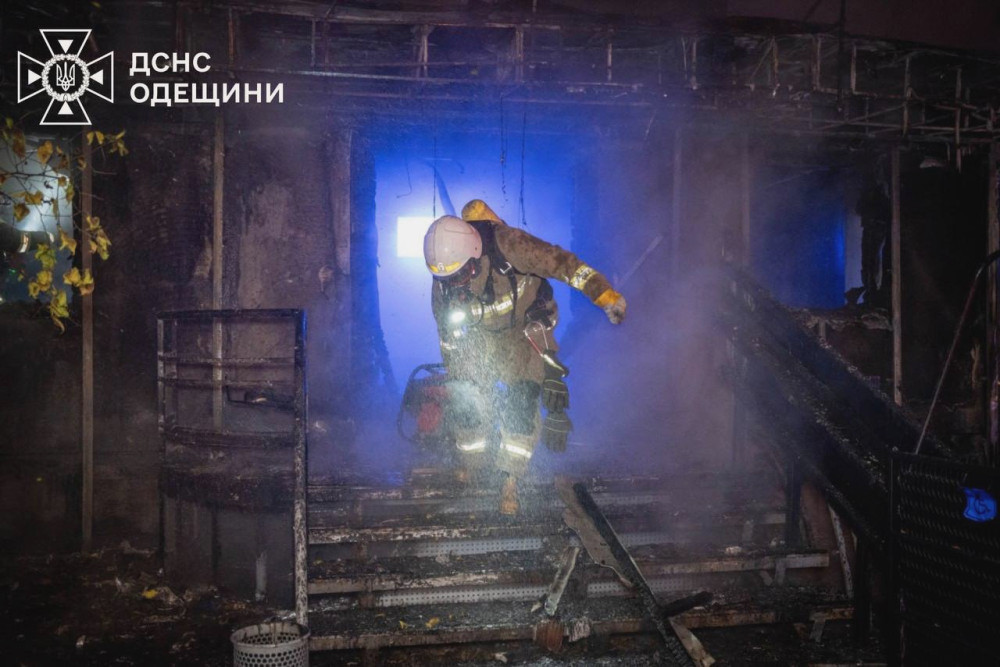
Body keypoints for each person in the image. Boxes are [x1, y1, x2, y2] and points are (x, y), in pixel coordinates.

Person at [422, 199, 626, 514]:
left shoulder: (511, 246)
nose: (458, 286)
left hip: (523, 333)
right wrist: (458, 376)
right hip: (479, 336)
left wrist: (603, 293)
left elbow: (563, 263)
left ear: (475, 255)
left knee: (521, 401)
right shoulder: (444, 284)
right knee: (466, 402)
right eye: (448, 280)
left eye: (462, 276)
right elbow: (447, 337)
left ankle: (511, 480)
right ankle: (473, 465)